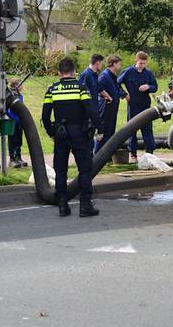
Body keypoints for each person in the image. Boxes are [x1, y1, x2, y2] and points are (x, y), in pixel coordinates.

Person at [42, 57, 102, 217]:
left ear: (59, 72)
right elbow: (91, 110)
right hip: (80, 134)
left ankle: (62, 205)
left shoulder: (52, 90)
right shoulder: (80, 89)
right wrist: (99, 129)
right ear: (74, 71)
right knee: (85, 169)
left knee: (60, 170)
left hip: (61, 134)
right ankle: (85, 206)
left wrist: (51, 133)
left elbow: (45, 116)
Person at [116, 50, 158, 161]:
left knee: (147, 129)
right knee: (132, 129)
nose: (142, 66)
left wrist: (148, 87)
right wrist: (124, 94)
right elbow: (116, 83)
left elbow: (155, 86)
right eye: (140, 63)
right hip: (133, 104)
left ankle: (150, 153)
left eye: (144, 63)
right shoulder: (129, 72)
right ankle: (133, 154)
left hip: (145, 104)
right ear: (136, 60)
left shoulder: (148, 73)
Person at [97, 54, 125, 153]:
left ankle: (106, 156)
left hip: (112, 109)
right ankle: (97, 156)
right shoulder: (104, 75)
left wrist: (124, 95)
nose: (120, 66)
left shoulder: (113, 76)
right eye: (119, 63)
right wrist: (108, 97)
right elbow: (99, 88)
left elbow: (117, 88)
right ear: (113, 64)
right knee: (103, 132)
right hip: (105, 109)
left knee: (110, 133)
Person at [5, 78, 25, 168]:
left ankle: (18, 157)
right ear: (16, 86)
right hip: (11, 120)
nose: (22, 86)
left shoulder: (20, 96)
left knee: (19, 140)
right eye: (21, 85)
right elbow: (7, 110)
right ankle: (12, 159)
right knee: (12, 140)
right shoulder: (10, 96)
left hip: (19, 121)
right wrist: (14, 118)